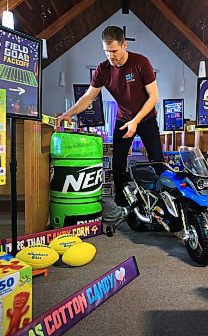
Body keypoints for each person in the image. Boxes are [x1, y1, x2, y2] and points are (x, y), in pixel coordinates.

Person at [55, 25, 164, 222]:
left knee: (158, 162)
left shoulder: (141, 63)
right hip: (123, 120)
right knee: (118, 164)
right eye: (106, 51)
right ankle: (122, 205)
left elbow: (153, 97)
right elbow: (88, 97)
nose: (110, 56)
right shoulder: (102, 70)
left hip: (146, 118)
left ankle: (164, 204)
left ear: (124, 45)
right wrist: (67, 114)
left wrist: (136, 120)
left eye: (114, 51)